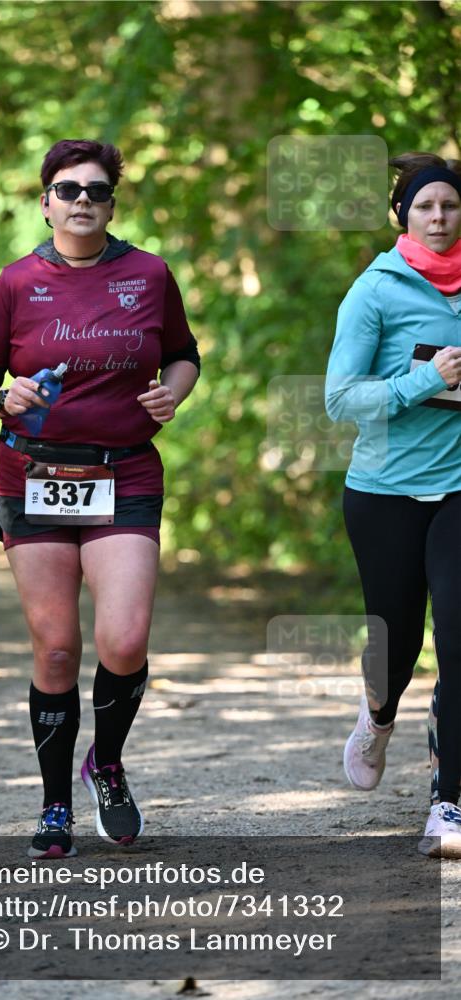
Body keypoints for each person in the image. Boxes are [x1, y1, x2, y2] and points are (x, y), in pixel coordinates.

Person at [0, 139, 199, 858]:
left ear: (112, 204)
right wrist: (0, 397)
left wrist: (172, 395)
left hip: (123, 471)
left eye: (96, 189)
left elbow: (183, 353)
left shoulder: (149, 274)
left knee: (124, 639)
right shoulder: (15, 282)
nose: (82, 200)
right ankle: (55, 802)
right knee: (57, 650)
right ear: (45, 202)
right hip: (34, 477)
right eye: (68, 190)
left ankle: (109, 763)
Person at [326, 152, 461, 858]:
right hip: (383, 492)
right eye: (424, 207)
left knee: (460, 633)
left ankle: (449, 801)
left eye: (449, 205)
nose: (438, 218)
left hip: (460, 488)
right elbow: (338, 397)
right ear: (402, 216)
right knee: (396, 643)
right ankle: (377, 717)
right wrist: (422, 381)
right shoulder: (374, 291)